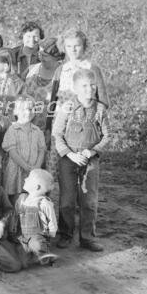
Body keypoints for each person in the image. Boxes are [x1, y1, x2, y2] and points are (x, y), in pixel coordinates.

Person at [52, 69, 110, 252]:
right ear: (75, 88)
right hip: (68, 159)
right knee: (67, 200)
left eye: (92, 85)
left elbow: (107, 137)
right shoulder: (67, 108)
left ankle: (87, 237)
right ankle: (65, 234)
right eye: (84, 86)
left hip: (89, 160)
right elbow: (57, 134)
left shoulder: (100, 109)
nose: (89, 89)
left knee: (89, 200)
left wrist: (92, 151)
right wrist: (69, 154)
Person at [2, 96, 46, 204]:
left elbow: (42, 150)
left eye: (30, 109)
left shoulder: (38, 131)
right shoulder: (13, 130)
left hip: (33, 172)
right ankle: (14, 220)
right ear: (16, 112)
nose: (28, 112)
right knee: (16, 201)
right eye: (23, 109)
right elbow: (12, 152)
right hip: (17, 171)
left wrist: (36, 167)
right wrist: (26, 166)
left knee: (31, 200)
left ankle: (28, 220)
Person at [10, 169, 58, 266]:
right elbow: (16, 214)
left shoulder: (44, 203)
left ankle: (46, 256)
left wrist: (52, 232)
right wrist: (13, 228)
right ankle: (30, 255)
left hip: (38, 235)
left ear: (37, 187)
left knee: (37, 245)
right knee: (22, 261)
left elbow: (52, 219)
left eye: (28, 178)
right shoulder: (22, 199)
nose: (25, 179)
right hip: (23, 235)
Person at [24, 37, 64, 138]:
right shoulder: (32, 69)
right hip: (29, 127)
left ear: (56, 57)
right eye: (40, 53)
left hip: (52, 130)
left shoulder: (63, 74)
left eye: (44, 55)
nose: (40, 57)